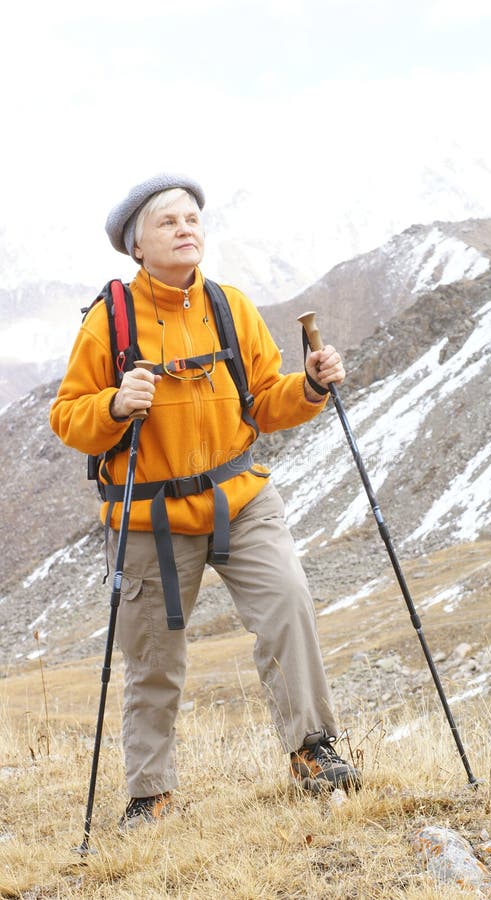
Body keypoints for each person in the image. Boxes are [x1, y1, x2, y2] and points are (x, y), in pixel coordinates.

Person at [49, 173, 361, 829]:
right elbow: (68, 417)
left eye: (192, 218)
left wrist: (307, 386)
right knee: (154, 659)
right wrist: (113, 405)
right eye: (168, 222)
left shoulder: (230, 307)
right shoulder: (110, 321)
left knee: (289, 605)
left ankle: (311, 749)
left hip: (240, 500)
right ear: (137, 246)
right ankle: (151, 790)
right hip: (148, 518)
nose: (186, 228)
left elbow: (265, 404)